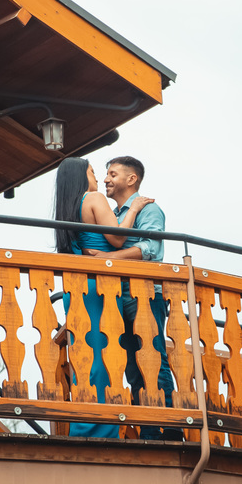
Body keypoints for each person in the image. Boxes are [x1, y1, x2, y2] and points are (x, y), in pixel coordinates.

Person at [53, 156, 152, 438]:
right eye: (93, 172)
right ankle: (97, 429)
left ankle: (86, 424)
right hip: (99, 288)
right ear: (82, 177)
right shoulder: (93, 198)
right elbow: (118, 238)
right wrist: (134, 207)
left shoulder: (67, 207)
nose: (98, 178)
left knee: (84, 357)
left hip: (76, 289)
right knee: (104, 357)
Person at [84, 156, 178, 441]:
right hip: (119, 296)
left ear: (131, 179)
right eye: (105, 174)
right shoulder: (116, 214)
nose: (106, 179)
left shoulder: (149, 209)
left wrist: (109, 258)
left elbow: (150, 248)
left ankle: (168, 429)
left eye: (112, 174)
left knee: (152, 357)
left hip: (144, 294)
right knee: (131, 363)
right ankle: (148, 428)